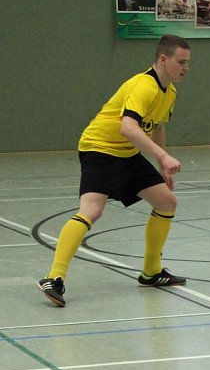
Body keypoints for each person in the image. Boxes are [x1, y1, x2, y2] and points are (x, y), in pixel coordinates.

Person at [37, 35, 192, 307]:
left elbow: (156, 126)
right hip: (100, 148)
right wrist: (164, 156)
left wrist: (161, 166)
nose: (186, 67)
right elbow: (128, 127)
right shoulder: (144, 86)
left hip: (126, 153)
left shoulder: (169, 92)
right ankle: (54, 277)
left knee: (166, 202)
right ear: (163, 59)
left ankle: (151, 272)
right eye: (181, 62)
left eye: (188, 63)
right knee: (92, 210)